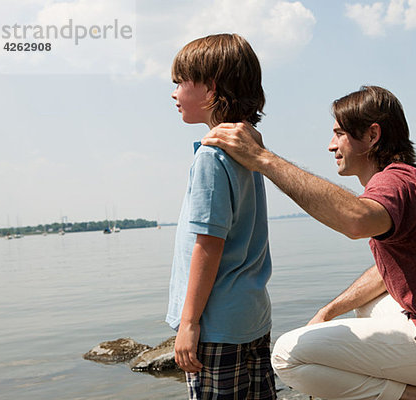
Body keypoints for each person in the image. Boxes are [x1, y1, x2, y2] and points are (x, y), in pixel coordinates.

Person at [201, 85, 416, 400]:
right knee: (365, 305)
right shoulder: (415, 182)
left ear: (372, 135)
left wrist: (262, 160)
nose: (330, 145)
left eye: (339, 134)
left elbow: (356, 220)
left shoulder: (393, 183)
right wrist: (328, 311)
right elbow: (385, 273)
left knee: (286, 355)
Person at [165, 33, 276, 400]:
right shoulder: (249, 148)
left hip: (217, 325)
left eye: (181, 82)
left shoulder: (212, 157)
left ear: (211, 89)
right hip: (251, 316)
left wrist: (189, 323)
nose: (174, 93)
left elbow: (208, 245)